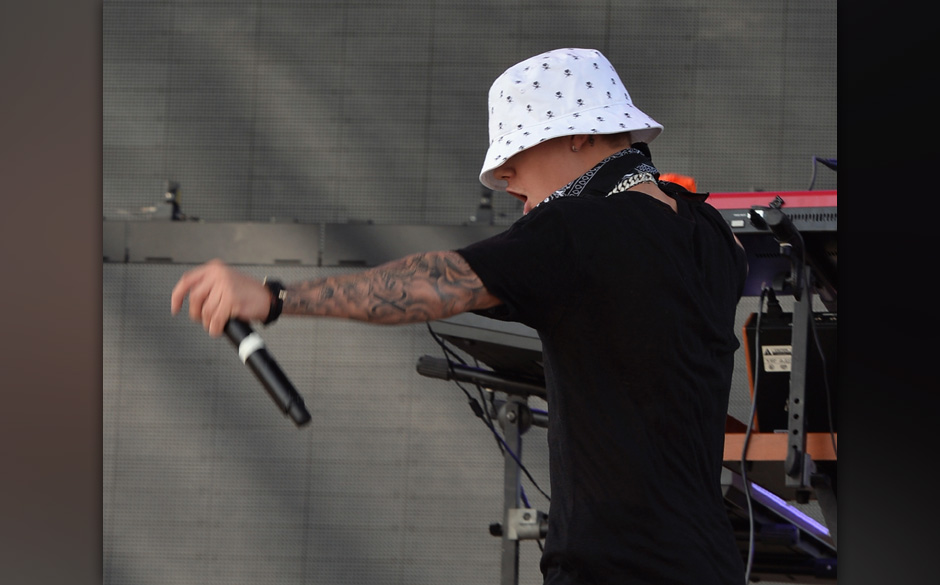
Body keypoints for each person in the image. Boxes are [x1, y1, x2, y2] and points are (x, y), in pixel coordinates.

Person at [171, 48, 748, 585]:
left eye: (517, 151)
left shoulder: (578, 230)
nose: (504, 178)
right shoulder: (711, 235)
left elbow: (439, 280)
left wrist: (276, 298)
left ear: (581, 135)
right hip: (709, 564)